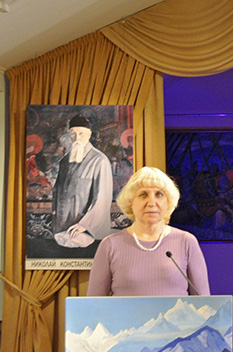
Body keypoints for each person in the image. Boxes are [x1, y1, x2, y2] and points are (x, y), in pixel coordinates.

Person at [88, 166, 210, 296]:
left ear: (168, 202)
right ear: (130, 202)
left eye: (159, 194)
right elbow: (93, 304)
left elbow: (204, 302)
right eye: (143, 195)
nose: (151, 202)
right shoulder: (110, 245)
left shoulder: (186, 242)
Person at [51, 114, 113, 248]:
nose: (77, 138)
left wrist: (84, 225)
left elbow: (102, 199)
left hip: (87, 231)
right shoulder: (65, 162)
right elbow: (58, 192)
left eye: (81, 133)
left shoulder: (99, 160)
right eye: (73, 134)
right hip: (63, 230)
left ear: (89, 134)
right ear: (69, 135)